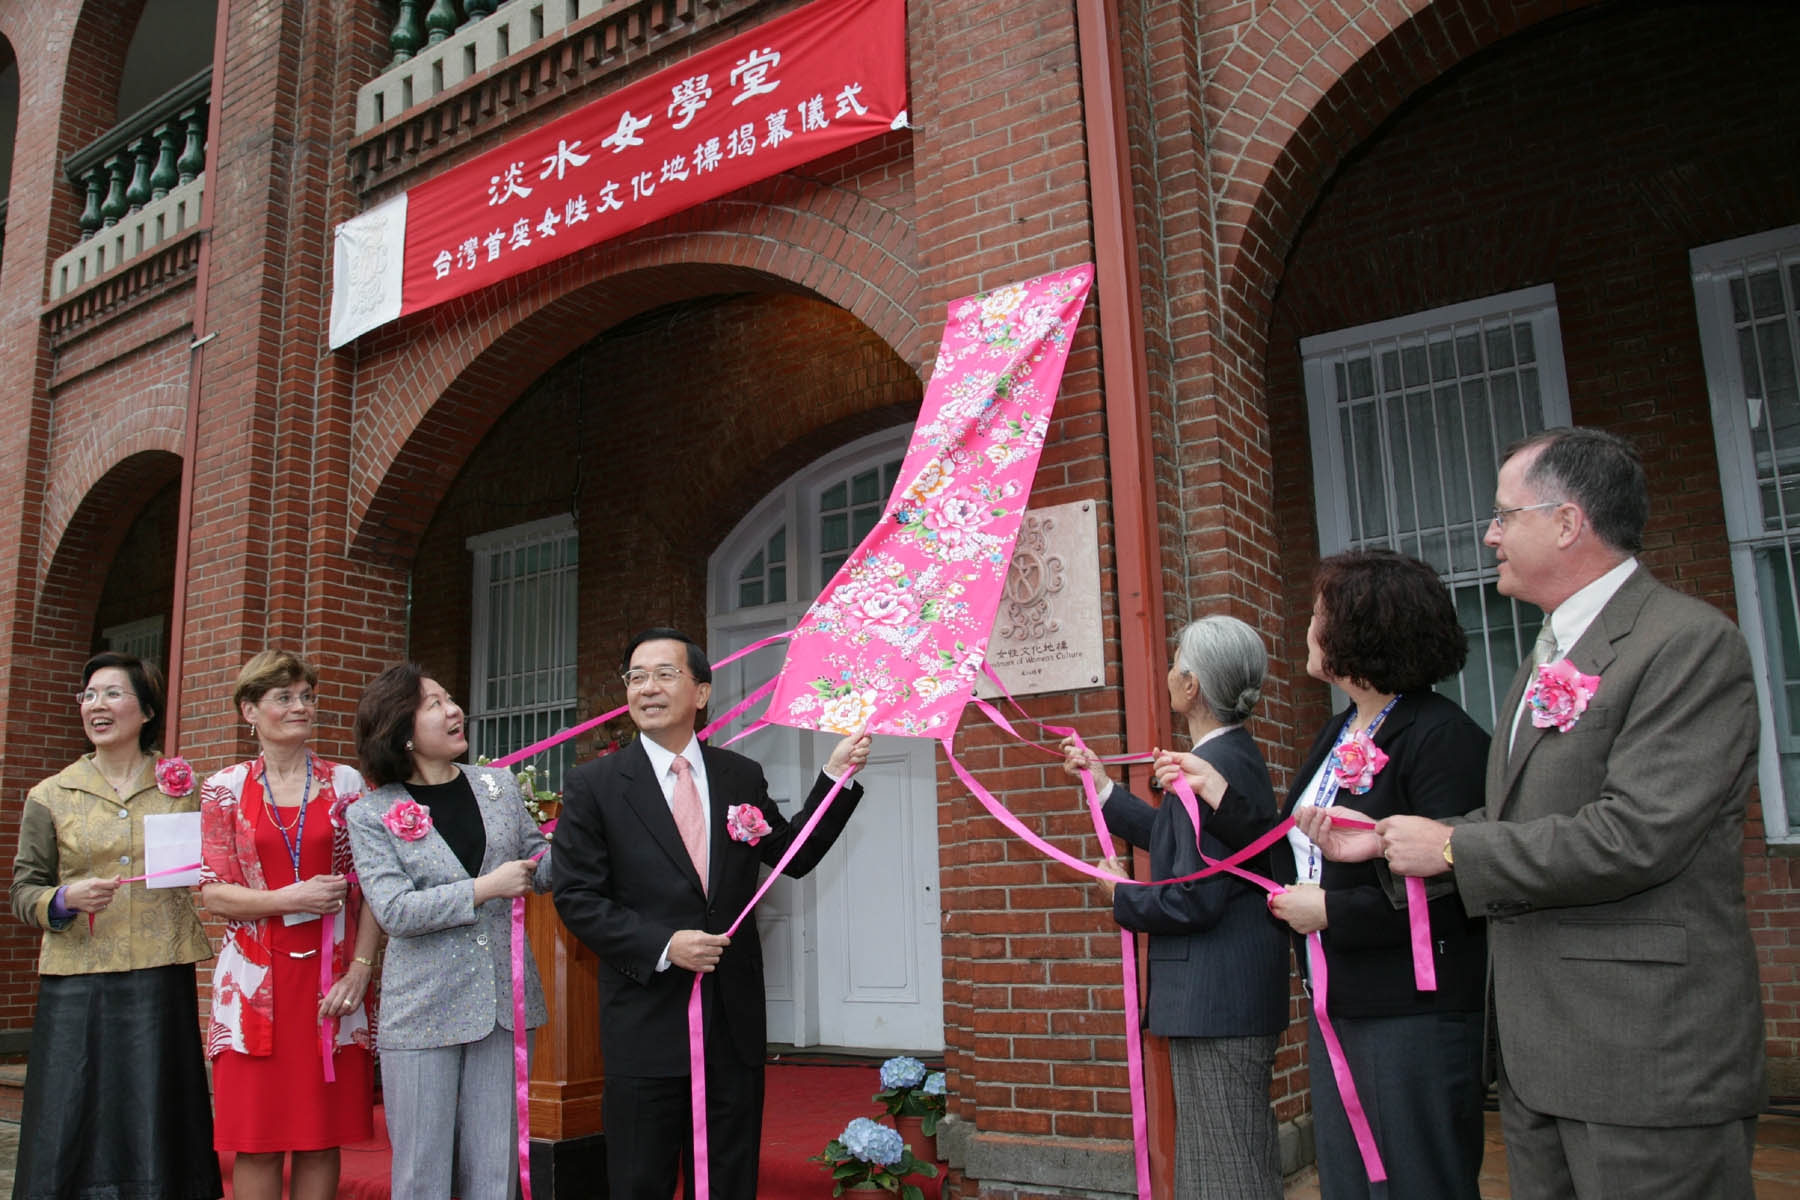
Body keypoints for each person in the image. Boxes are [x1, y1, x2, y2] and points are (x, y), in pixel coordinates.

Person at [1337, 428, 1765, 1199]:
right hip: (1542, 1061)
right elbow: (1530, 813)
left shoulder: (1688, 645)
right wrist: (1388, 843)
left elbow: (1636, 836)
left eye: (1506, 514)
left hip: (1642, 1058)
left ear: (1568, 523)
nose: (1489, 533)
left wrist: (1456, 850)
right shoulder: (1552, 654)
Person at [1162, 551, 1489, 1200]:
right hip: (1340, 1001)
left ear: (1361, 632)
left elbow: (1460, 883)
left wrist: (1336, 913)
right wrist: (1219, 794)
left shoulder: (1441, 737)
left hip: (1411, 1016)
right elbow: (1294, 852)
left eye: (1317, 616)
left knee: (1417, 1183)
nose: (1307, 630)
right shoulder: (1339, 730)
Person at [552, 627, 872, 1200]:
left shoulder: (738, 776)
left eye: (664, 674)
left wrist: (835, 777)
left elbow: (788, 858)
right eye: (636, 676)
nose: (647, 688)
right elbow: (577, 898)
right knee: (640, 1177)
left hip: (732, 1020)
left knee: (729, 1175)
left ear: (700, 693)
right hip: (646, 1019)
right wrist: (664, 944)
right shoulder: (594, 785)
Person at [1061, 614, 1287, 1200]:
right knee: (1224, 1160)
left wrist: (1123, 895)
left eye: (1174, 663)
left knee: (1224, 1171)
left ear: (1191, 686)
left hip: (1217, 1001)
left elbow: (1198, 897)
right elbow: (1178, 835)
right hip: (1222, 998)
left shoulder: (1224, 766)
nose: (1166, 675)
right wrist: (1104, 787)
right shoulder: (1230, 757)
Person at [8, 652, 222, 1200]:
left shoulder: (183, 787)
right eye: (88, 696)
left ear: (146, 709)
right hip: (77, 974)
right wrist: (63, 897)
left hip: (159, 971)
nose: (96, 705)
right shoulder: (50, 794)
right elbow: (23, 890)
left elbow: (219, 862)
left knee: (155, 1104)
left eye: (111, 694)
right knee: (72, 1106)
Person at [345, 664, 552, 1200]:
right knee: (422, 1170)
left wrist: (583, 838)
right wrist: (485, 888)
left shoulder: (498, 785)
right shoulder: (372, 813)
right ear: (403, 730)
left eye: (451, 697)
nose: (454, 709)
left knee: (495, 1168)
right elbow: (394, 911)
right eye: (434, 703)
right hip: (423, 1009)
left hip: (502, 1004)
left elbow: (538, 865)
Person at [198, 650, 379, 1200]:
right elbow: (212, 892)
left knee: (321, 1136)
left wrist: (362, 972)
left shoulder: (346, 782)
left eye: (307, 696)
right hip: (252, 986)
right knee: (255, 1139)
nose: (301, 706)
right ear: (249, 711)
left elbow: (374, 886)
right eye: (285, 697)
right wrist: (288, 896)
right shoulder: (223, 788)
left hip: (332, 981)